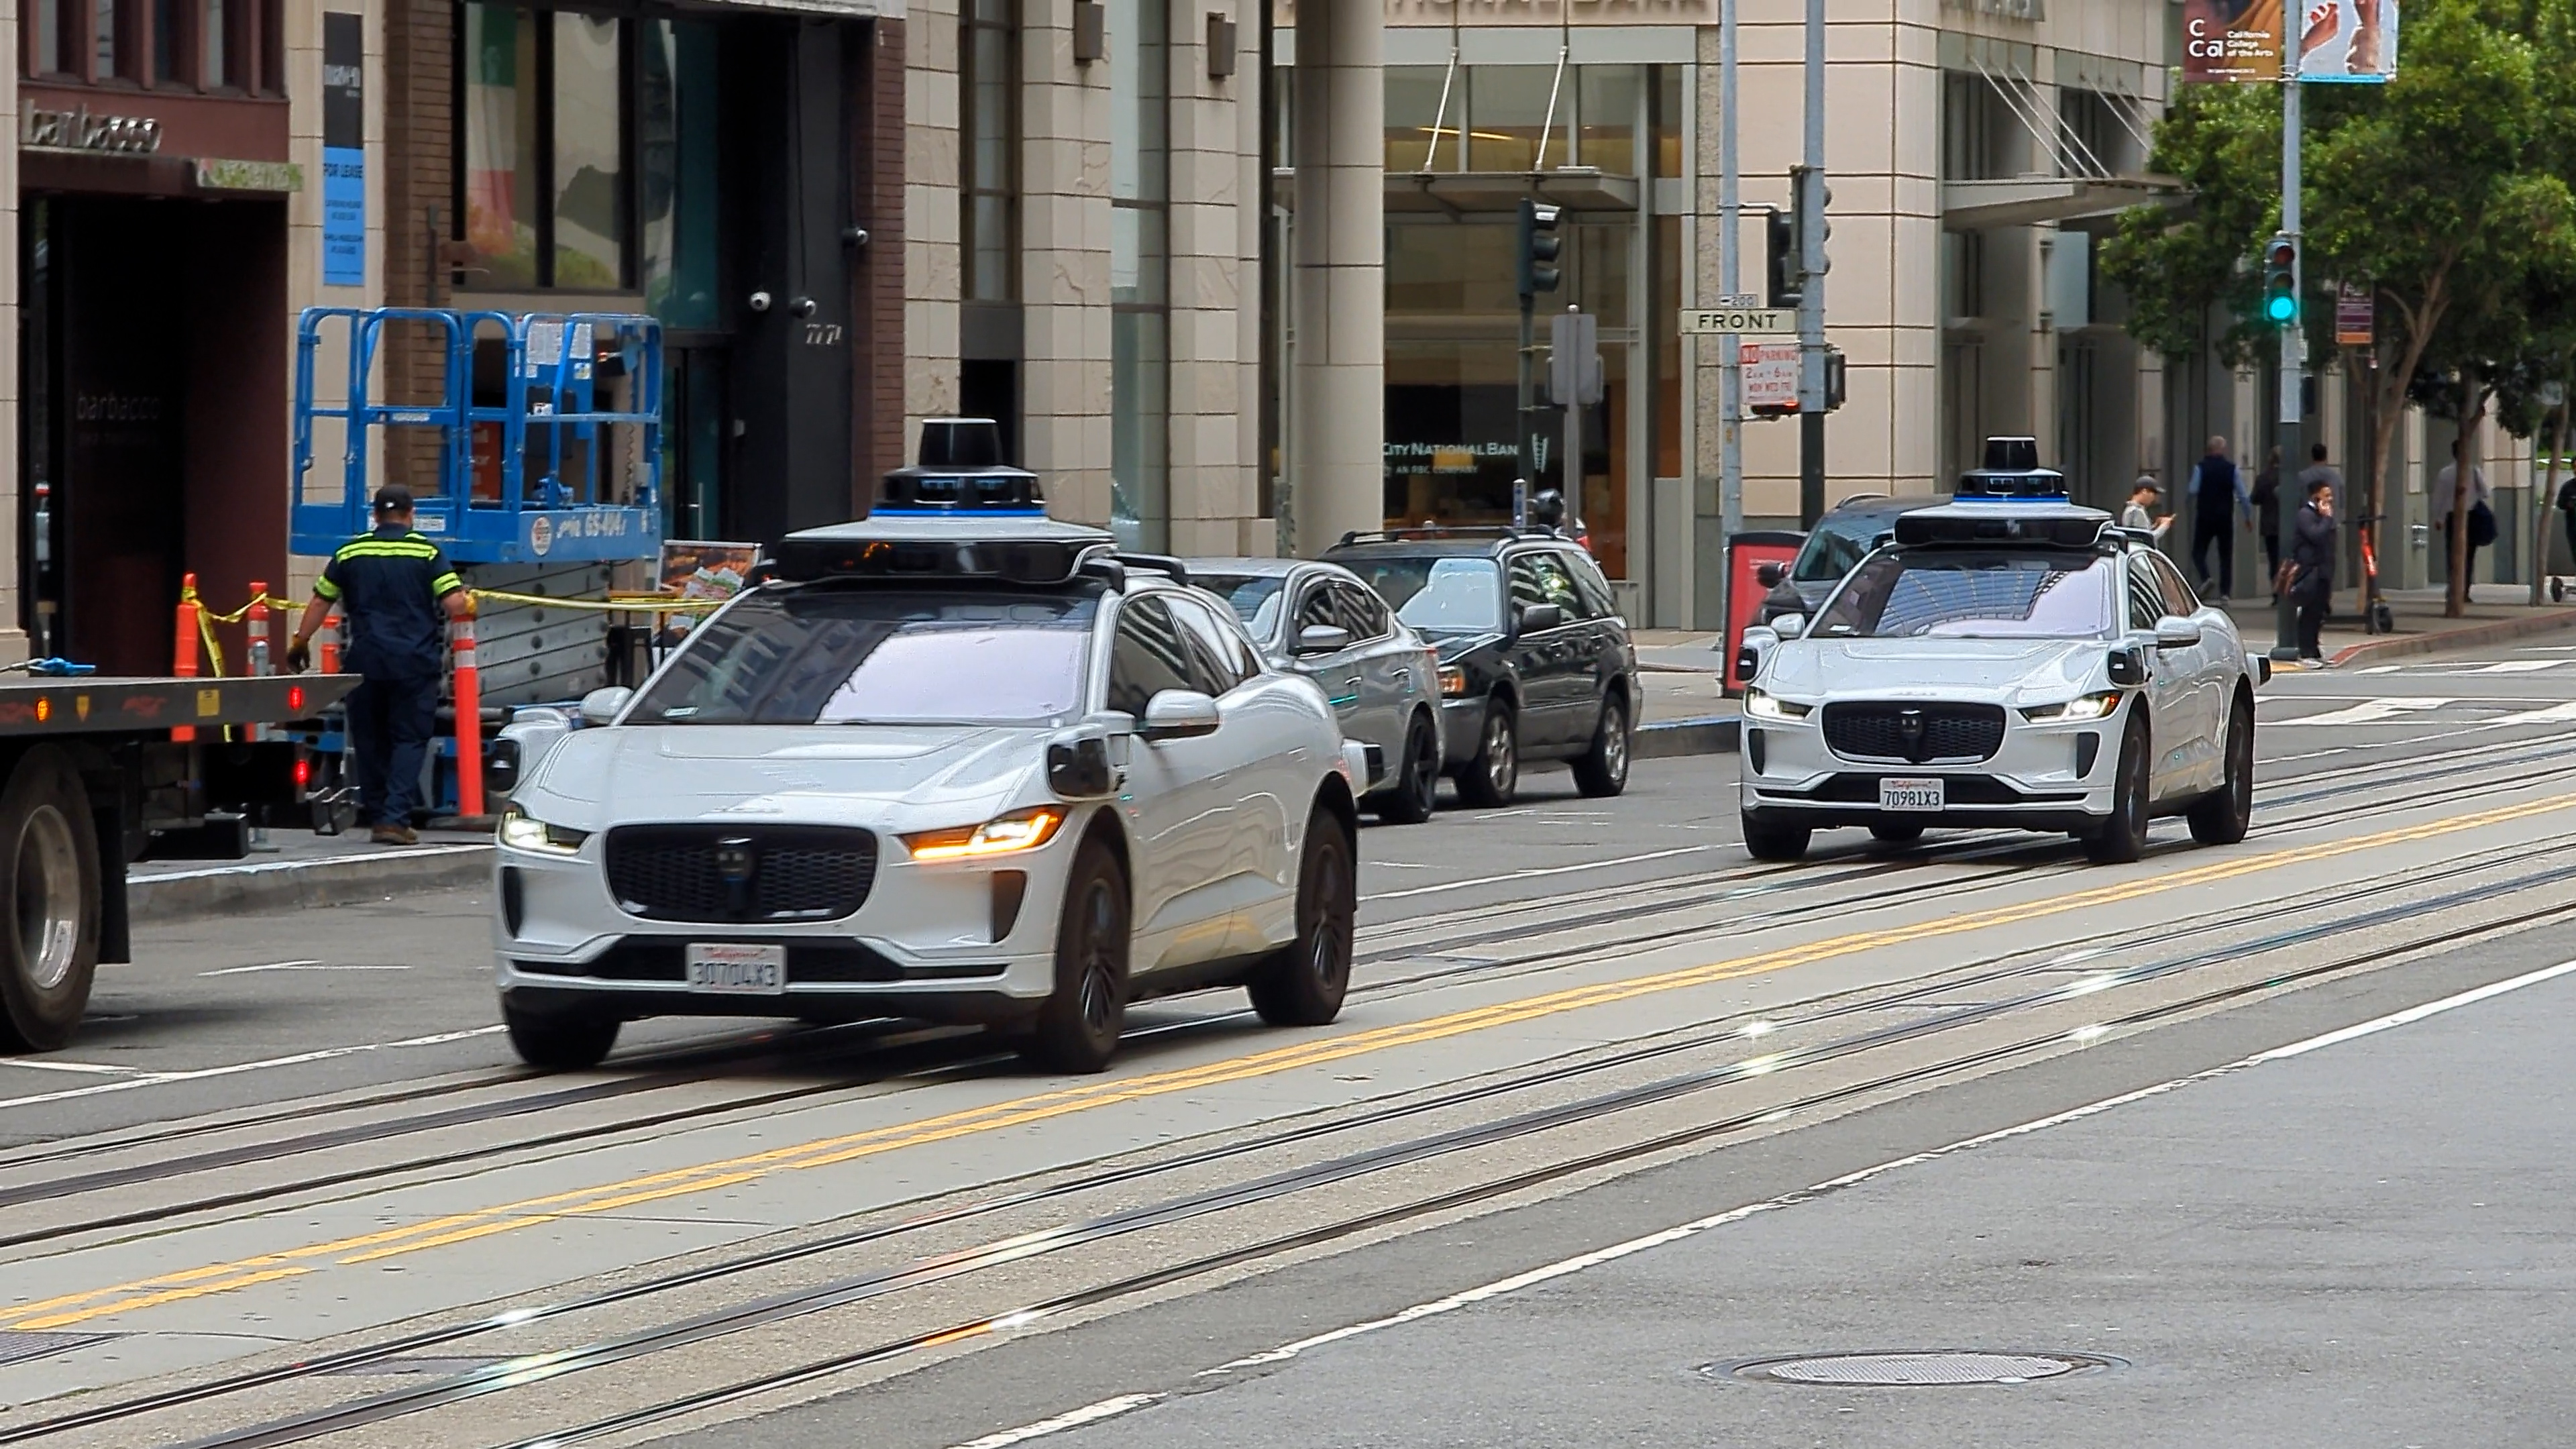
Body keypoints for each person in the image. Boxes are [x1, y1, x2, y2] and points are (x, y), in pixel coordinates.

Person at [284, 486, 474, 845]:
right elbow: (454, 604)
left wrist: (300, 641)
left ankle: (376, 813)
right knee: (409, 738)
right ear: (410, 512)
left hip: (365, 661)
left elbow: (321, 601)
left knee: (369, 738)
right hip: (413, 663)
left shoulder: (351, 551)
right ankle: (394, 818)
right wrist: (469, 602)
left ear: (376, 515)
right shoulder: (426, 551)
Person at [2190, 435, 2251, 601]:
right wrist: (2247, 516)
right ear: (2223, 449)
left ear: (2208, 450)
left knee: (2198, 552)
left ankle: (2206, 577)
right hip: (2225, 517)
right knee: (2225, 554)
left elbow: (2193, 490)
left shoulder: (2200, 468)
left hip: (2205, 516)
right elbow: (2243, 495)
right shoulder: (2232, 469)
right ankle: (2225, 592)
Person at [2288, 476, 2338, 666]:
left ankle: (2314, 649)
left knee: (2318, 612)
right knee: (2309, 611)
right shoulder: (2306, 515)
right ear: (2316, 496)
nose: (2330, 498)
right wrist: (2326, 519)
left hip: (2323, 570)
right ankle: (2305, 650)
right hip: (2310, 571)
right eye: (2326, 495)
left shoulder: (2322, 515)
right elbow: (2315, 536)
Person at [2432, 455, 2495, 596]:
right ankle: (2464, 590)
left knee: (2452, 554)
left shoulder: (2445, 473)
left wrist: (2439, 518)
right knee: (2469, 556)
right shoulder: (2474, 471)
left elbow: (2439, 497)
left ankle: (2453, 587)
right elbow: (2486, 492)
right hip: (2471, 516)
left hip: (2451, 517)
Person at [2249, 446, 2284, 596]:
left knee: (2273, 560)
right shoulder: (2291, 477)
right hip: (2288, 526)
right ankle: (2286, 591)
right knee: (2288, 559)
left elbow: (2254, 499)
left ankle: (2276, 592)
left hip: (2270, 525)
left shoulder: (2263, 477)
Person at [2121, 478, 2173, 545]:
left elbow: (2139, 533)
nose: (2154, 498)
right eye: (2153, 494)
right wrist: (2164, 525)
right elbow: (2146, 539)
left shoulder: (2129, 508)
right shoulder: (2137, 511)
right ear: (2144, 491)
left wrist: (2155, 526)